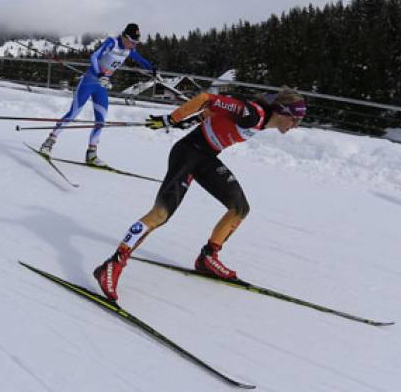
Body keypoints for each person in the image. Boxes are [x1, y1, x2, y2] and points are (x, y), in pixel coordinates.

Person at [93, 86, 308, 301]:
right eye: (295, 119)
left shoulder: (261, 120)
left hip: (206, 157)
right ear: (282, 112)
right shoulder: (251, 114)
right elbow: (207, 99)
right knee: (161, 214)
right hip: (187, 154)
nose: (295, 125)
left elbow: (216, 111)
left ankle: (207, 258)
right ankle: (113, 263)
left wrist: (190, 121)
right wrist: (171, 119)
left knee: (240, 208)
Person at [39, 23, 155, 166]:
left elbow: (141, 60)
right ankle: (48, 143)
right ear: (124, 36)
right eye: (131, 41)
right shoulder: (112, 43)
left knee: (100, 121)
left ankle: (91, 154)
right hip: (89, 81)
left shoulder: (129, 49)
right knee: (73, 113)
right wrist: (100, 73)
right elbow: (94, 57)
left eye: (135, 42)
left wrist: (152, 69)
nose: (133, 45)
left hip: (101, 86)